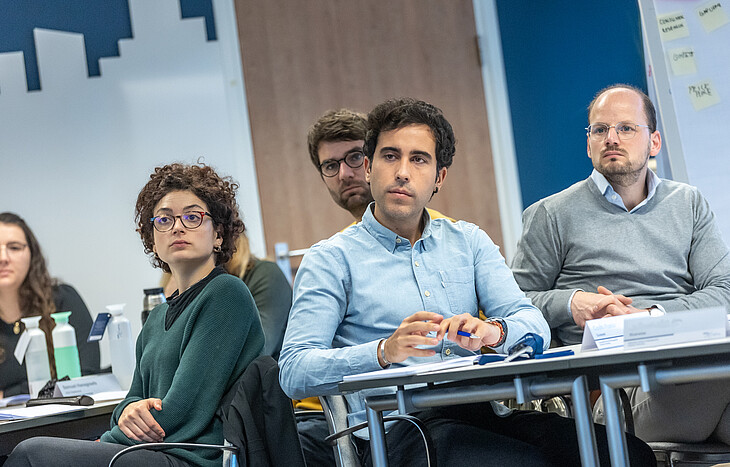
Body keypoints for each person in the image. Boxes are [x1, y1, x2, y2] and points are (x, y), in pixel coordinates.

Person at [280, 98, 654, 466]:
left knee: (629, 455)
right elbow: (294, 370)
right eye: (390, 156)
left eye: (419, 159)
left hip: (482, 411)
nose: (402, 172)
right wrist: (382, 352)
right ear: (369, 169)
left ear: (439, 177)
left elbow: (532, 323)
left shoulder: (469, 242)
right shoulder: (331, 258)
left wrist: (494, 332)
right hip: (394, 428)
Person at [511, 84, 730, 445]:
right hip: (618, 398)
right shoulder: (550, 214)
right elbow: (515, 304)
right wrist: (571, 302)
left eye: (626, 128)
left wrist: (648, 316)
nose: (611, 138)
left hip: (690, 372)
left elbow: (723, 290)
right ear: (589, 144)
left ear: (654, 142)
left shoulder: (688, 203)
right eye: (600, 130)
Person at [6, 163, 265, 466]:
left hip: (190, 457)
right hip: (149, 451)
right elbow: (129, 400)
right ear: (153, 241)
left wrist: (105, 440)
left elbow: (180, 410)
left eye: (193, 217)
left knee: (31, 454)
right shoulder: (157, 318)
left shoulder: (226, 293)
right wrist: (127, 411)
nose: (178, 227)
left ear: (218, 234)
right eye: (165, 220)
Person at [0, 212, 100, 398]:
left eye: (14, 248)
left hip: (67, 420)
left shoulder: (63, 300)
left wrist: (8, 393)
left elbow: (87, 374)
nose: (3, 258)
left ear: (32, 254)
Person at [308, 108, 452, 224]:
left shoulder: (447, 239)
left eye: (355, 157)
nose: (344, 174)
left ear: (370, 163)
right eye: (331, 166)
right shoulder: (336, 253)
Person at [162, 233, 292, 360]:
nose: (179, 231)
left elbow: (257, 350)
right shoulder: (175, 284)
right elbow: (161, 357)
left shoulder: (265, 274)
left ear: (218, 237)